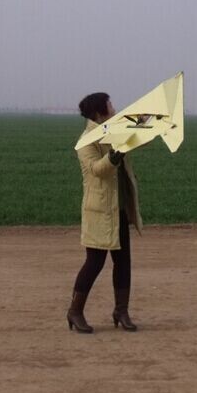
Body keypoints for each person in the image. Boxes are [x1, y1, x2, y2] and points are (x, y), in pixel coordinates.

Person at [67, 92, 143, 334]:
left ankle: (121, 311)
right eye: (110, 105)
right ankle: (75, 311)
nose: (114, 108)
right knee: (95, 263)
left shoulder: (115, 130)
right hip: (99, 211)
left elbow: (139, 138)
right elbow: (96, 170)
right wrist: (114, 156)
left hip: (118, 209)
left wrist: (149, 125)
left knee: (123, 262)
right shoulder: (87, 140)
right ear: (99, 113)